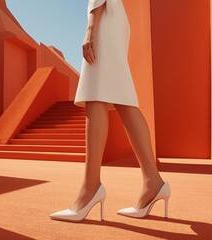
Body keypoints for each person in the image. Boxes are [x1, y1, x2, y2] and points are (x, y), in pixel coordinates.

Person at [49, 0, 171, 222]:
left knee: (96, 96)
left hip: (104, 17)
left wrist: (90, 28)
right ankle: (153, 182)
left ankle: (90, 189)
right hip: (115, 17)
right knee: (122, 99)